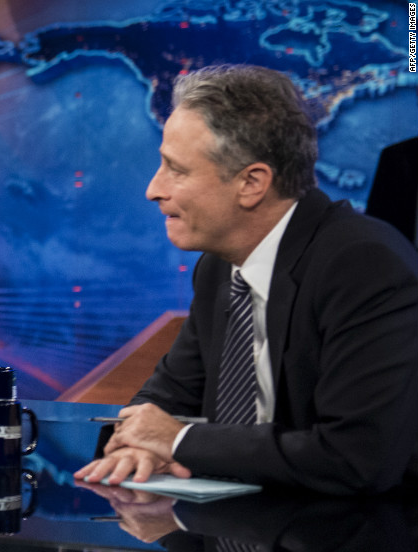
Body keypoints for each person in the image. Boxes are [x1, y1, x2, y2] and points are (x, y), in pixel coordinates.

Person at [74, 64, 418, 495]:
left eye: (175, 169)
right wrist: (134, 446)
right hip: (242, 525)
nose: (153, 189)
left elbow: (357, 457)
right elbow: (164, 400)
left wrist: (178, 441)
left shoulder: (364, 265)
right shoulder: (219, 267)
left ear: (252, 183)